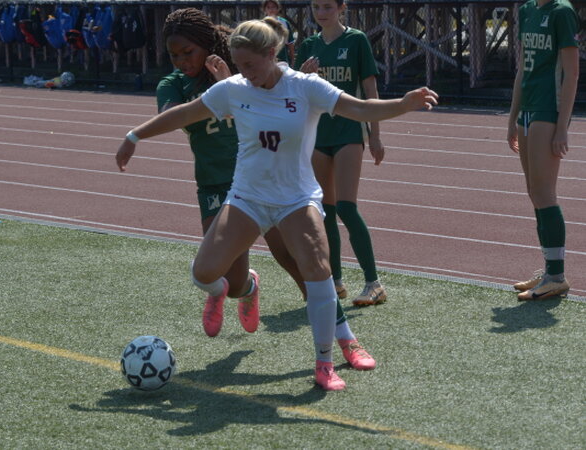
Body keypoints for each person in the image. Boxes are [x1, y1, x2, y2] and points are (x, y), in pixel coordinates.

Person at [116, 17, 438, 390]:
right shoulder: (234, 88)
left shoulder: (305, 86)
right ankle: (234, 292)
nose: (245, 73)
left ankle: (327, 360)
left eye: (251, 65)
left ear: (272, 54)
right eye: (239, 66)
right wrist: (134, 136)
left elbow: (361, 109)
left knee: (317, 274)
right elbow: (186, 113)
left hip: (296, 199)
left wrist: (403, 104)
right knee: (203, 273)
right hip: (248, 198)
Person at [157, 8, 380, 374]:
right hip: (218, 184)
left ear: (206, 45)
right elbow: (181, 114)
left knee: (300, 264)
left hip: (268, 183)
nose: (182, 61)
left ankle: (344, 337)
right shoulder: (177, 84)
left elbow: (269, 100)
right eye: (174, 55)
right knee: (226, 279)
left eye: (188, 52)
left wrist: (237, 81)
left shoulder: (245, 71)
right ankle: (239, 291)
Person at [295, 0, 386, 307]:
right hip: (319, 135)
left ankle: (374, 283)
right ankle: (335, 281)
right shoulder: (308, 46)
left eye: (328, 7)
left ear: (341, 8)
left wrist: (375, 135)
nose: (321, 13)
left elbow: (370, 91)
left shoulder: (356, 40)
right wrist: (303, 76)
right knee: (326, 211)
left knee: (347, 207)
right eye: (316, 7)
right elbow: (296, 96)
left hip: (349, 132)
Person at [507, 0, 579, 300]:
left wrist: (562, 126)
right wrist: (512, 117)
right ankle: (549, 269)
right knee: (534, 192)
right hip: (527, 108)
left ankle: (556, 276)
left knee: (544, 192)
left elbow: (572, 73)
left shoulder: (562, 12)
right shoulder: (526, 10)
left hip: (548, 109)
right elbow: (522, 70)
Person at [262, 0, 295, 66]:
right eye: (268, 7)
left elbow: (290, 43)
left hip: (282, 55)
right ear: (264, 9)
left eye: (273, 7)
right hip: (267, 55)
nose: (271, 9)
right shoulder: (261, 24)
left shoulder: (284, 22)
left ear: (278, 8)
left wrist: (292, 59)